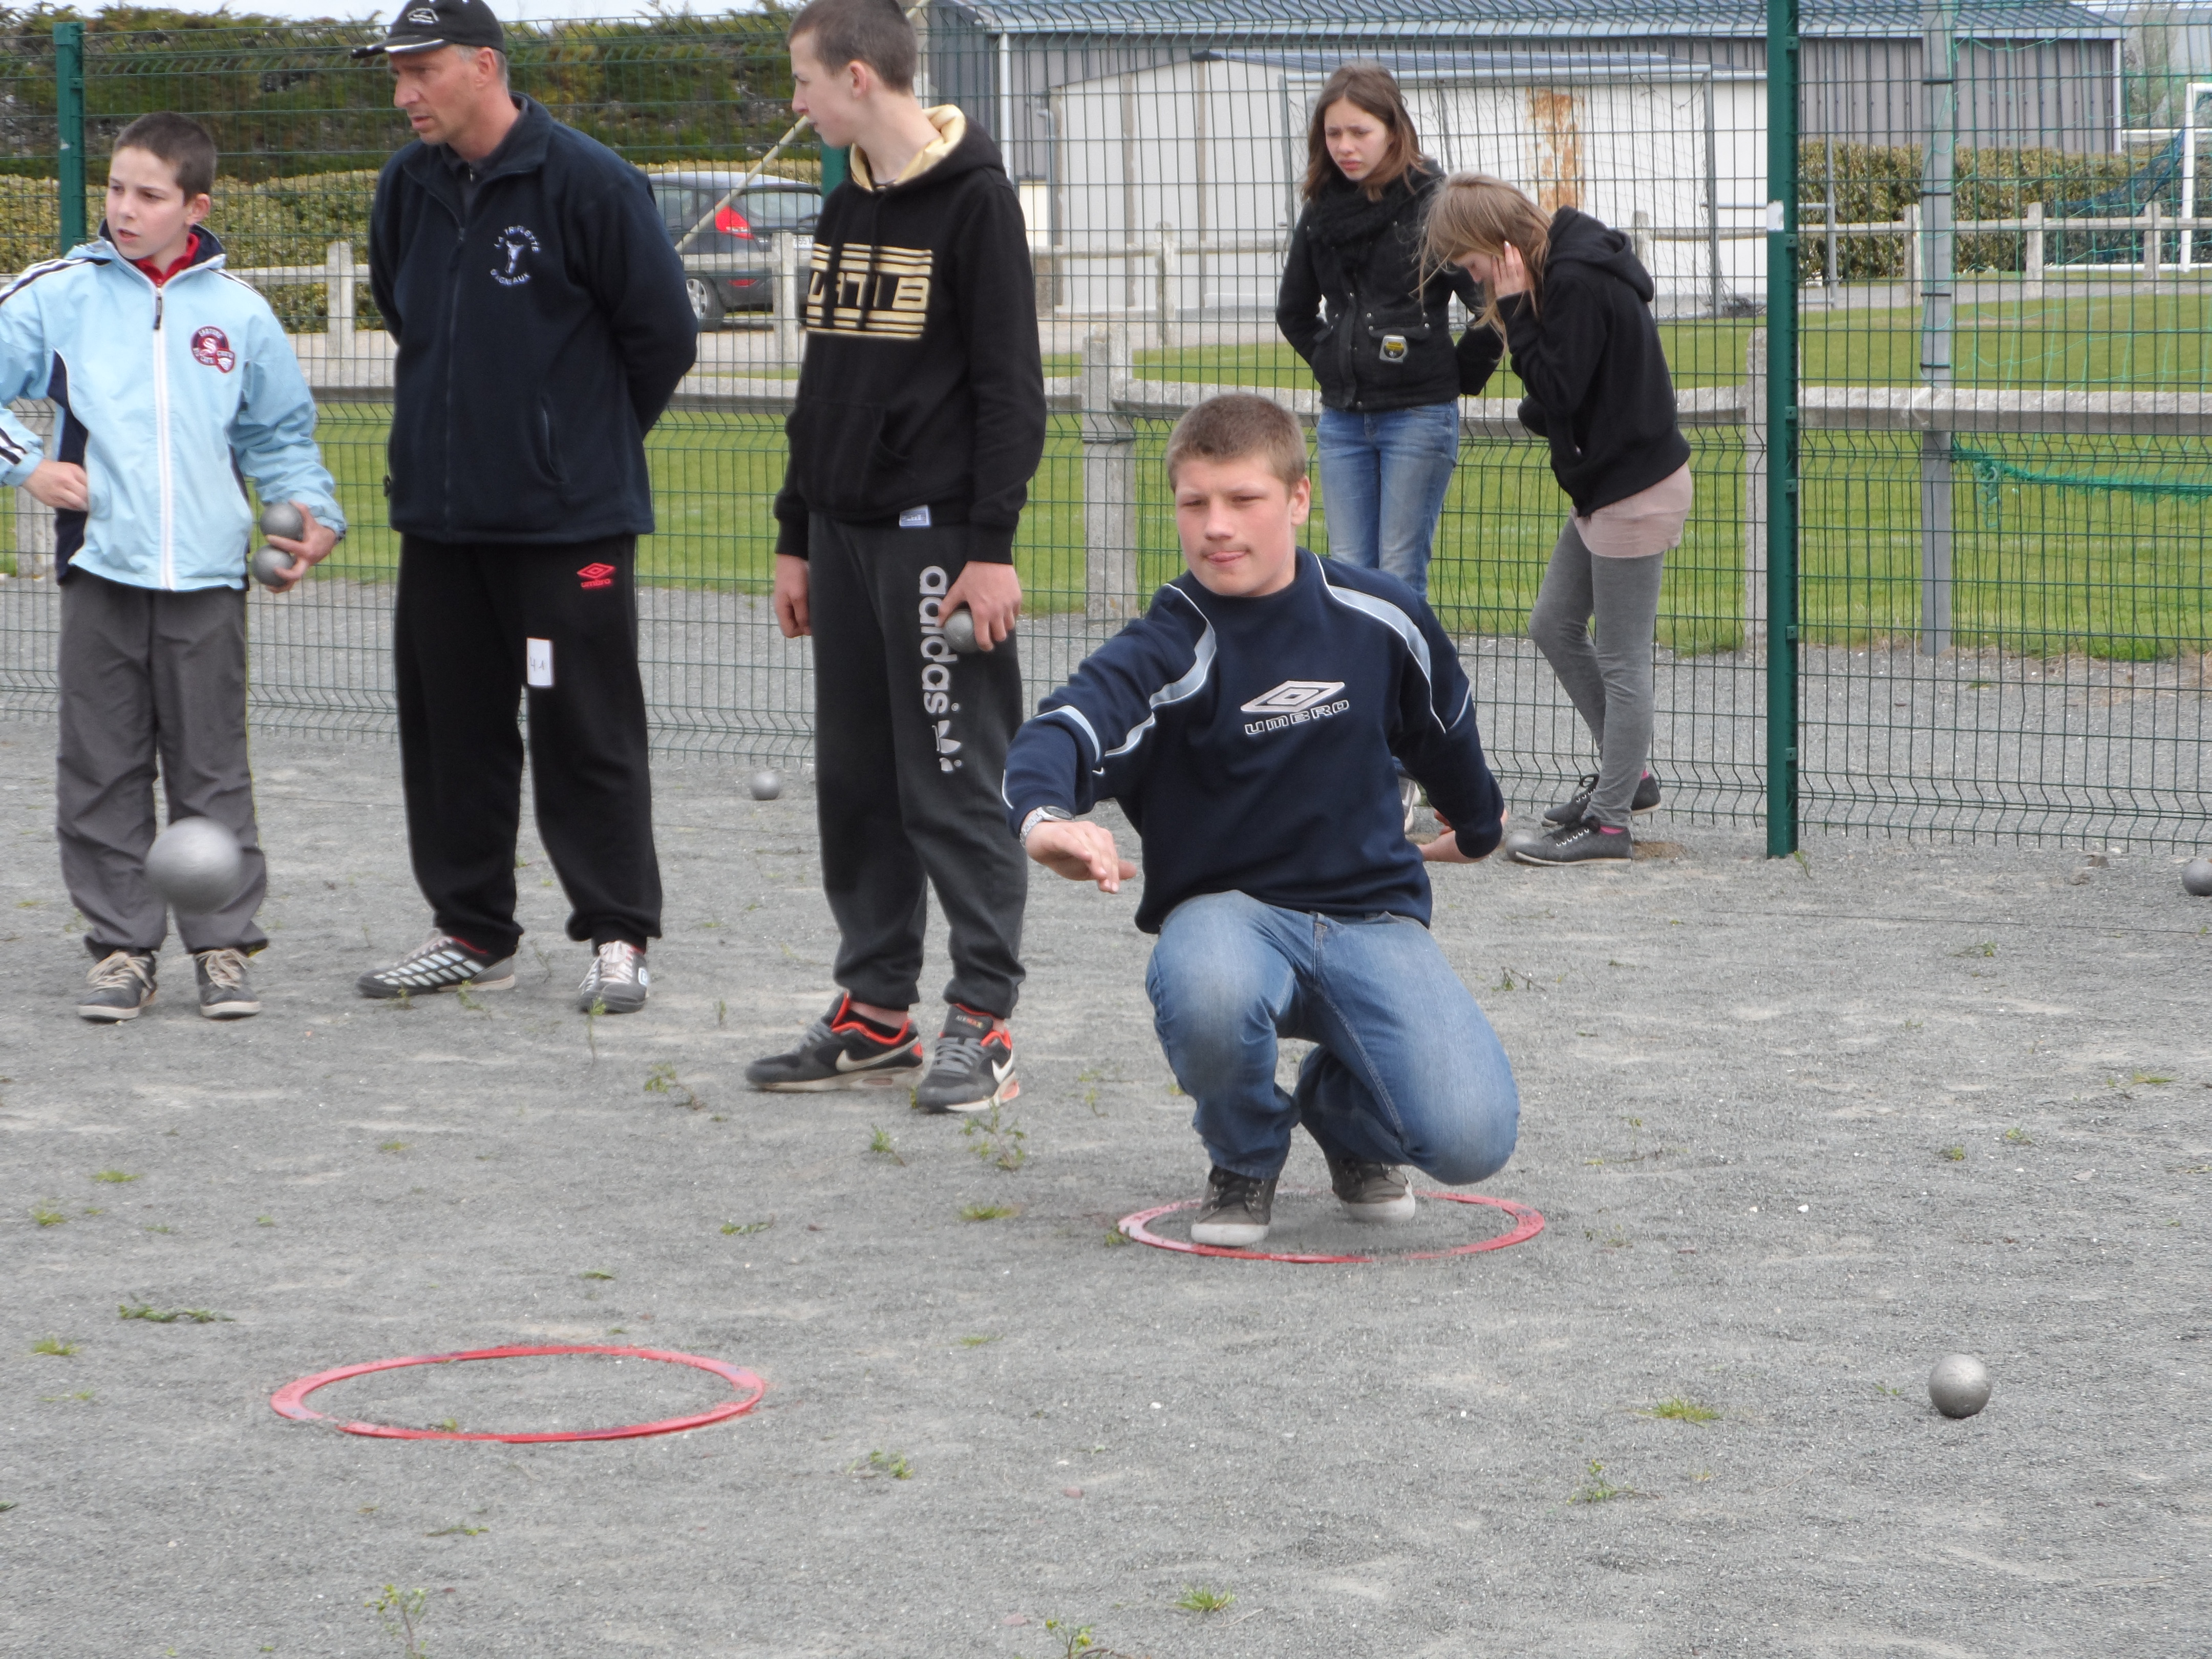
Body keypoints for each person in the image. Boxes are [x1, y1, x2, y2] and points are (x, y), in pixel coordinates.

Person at [1003, 394, 1519, 1248]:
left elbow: (1446, 725)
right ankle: (1245, 1155)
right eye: (1194, 502)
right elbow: (1065, 727)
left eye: (1242, 500)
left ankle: (1346, 1117)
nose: (1216, 526)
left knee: (1472, 1138)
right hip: (1229, 922)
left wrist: (1475, 823)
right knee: (1209, 988)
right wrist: (1044, 819)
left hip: (1371, 918)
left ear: (1298, 499)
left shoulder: (1381, 618)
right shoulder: (1168, 647)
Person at [353, 0, 696, 1011]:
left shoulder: (586, 181)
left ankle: (619, 933)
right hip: (441, 523)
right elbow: (401, 310)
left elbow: (663, 337)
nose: (406, 93)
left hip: (570, 532)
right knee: (450, 731)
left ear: (485, 65)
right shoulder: (404, 188)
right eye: (396, 75)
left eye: (423, 71)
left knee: (584, 728)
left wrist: (576, 445)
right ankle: (469, 928)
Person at [745, 0, 1046, 1115]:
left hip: (936, 544)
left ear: (859, 79)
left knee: (952, 779)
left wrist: (991, 549)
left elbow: (1012, 391)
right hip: (841, 535)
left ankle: (984, 1018)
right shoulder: (843, 208)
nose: (797, 103)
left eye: (804, 83)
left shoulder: (975, 202)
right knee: (858, 786)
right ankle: (876, 1011)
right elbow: (824, 385)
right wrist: (794, 533)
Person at [0, 113, 345, 1023]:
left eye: (148, 195)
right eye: (116, 188)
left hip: (206, 579)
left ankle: (222, 947)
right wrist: (26, 464)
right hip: (101, 571)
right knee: (102, 766)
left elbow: (282, 440)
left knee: (211, 770)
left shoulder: (239, 314)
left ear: (195, 205)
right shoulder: (58, 294)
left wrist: (319, 516)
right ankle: (121, 950)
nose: (124, 208)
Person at [1424, 173, 1692, 867]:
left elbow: (1560, 386)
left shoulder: (1571, 279)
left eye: (1471, 260)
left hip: (1634, 487)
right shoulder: (1565, 270)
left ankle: (1609, 824)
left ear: (1496, 242)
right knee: (1553, 623)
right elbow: (1571, 390)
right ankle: (1626, 780)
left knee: (1623, 657)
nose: (1471, 276)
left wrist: (1515, 311)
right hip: (1605, 486)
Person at [1275, 62, 1492, 604]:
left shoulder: (1434, 203)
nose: (1345, 146)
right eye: (1334, 134)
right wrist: (1330, 359)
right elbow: (1294, 311)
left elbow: (1492, 302)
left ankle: (1410, 690)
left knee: (1398, 575)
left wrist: (1462, 375)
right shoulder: (1321, 208)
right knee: (1347, 575)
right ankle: (1366, 689)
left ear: (1394, 131)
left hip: (1418, 419)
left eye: (1360, 132)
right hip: (1343, 420)